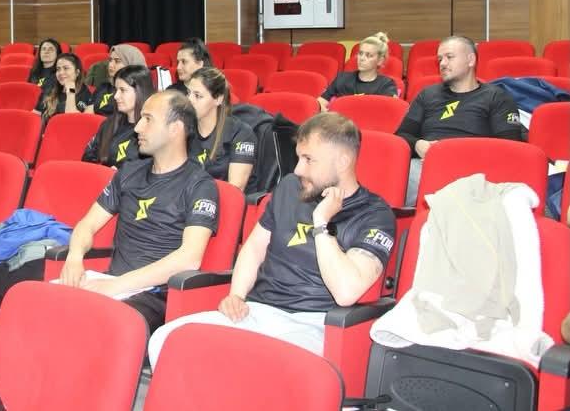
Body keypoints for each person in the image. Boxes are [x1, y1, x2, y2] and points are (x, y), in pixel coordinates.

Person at [147, 112, 396, 363]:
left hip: (314, 324)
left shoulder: (374, 215)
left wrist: (322, 223)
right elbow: (255, 248)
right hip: (257, 311)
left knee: (259, 365)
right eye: (298, 157)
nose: (298, 169)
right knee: (167, 338)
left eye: (309, 159)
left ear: (342, 161)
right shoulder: (290, 186)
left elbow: (346, 292)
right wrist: (237, 295)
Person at [61, 90, 220, 333]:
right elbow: (88, 224)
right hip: (112, 283)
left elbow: (189, 258)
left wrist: (116, 286)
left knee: (94, 326)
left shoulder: (199, 185)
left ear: (175, 128)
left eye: (148, 119)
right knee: (45, 305)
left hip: (154, 294)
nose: (137, 128)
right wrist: (74, 258)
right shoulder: (128, 172)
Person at [395, 35, 524, 206]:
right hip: (427, 166)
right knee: (392, 176)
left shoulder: (497, 97)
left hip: (474, 170)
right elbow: (401, 136)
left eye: (449, 57)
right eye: (440, 59)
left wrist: (455, 154)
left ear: (471, 60)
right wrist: (418, 145)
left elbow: (510, 147)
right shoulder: (427, 95)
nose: (442, 63)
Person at [186, 67, 257, 189]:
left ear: (218, 99)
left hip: (224, 197)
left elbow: (235, 189)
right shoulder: (185, 127)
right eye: (188, 93)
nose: (189, 100)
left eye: (197, 95)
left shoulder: (241, 133)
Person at [83, 65, 152, 167]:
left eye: (122, 90)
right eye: (116, 90)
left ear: (140, 92)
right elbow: (88, 157)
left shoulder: (151, 130)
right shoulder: (109, 123)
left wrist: (121, 173)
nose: (115, 96)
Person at [318, 32, 398, 110]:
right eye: (360, 53)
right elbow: (320, 103)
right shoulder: (342, 78)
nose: (362, 58)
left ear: (380, 60)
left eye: (368, 55)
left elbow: (389, 110)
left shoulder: (386, 84)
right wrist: (327, 114)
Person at [86, 44, 147, 116]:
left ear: (132, 64)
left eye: (117, 61)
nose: (110, 65)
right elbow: (87, 116)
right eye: (110, 60)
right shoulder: (103, 87)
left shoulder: (138, 92)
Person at [35, 53, 93, 120]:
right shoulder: (49, 88)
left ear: (77, 73)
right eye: (58, 69)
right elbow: (36, 114)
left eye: (66, 68)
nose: (61, 73)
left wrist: (71, 91)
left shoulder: (87, 95)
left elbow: (71, 119)